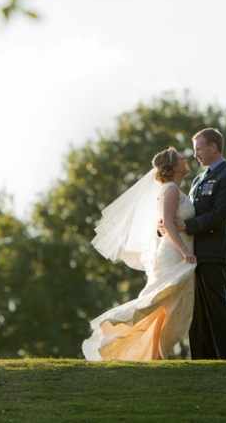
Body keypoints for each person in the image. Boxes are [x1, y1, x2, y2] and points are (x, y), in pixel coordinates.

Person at [82, 147, 198, 360]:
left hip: (179, 252)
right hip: (174, 254)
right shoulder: (171, 189)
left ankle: (154, 355)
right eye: (181, 158)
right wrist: (184, 251)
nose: (185, 159)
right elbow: (170, 227)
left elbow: (166, 221)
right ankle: (115, 335)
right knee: (159, 303)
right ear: (174, 167)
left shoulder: (174, 190)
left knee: (168, 307)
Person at [168, 128, 226, 361]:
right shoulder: (200, 179)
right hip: (191, 254)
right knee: (197, 311)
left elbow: (220, 214)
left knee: (217, 307)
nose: (195, 154)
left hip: (212, 253)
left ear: (213, 147)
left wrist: (187, 226)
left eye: (199, 149)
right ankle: (202, 361)